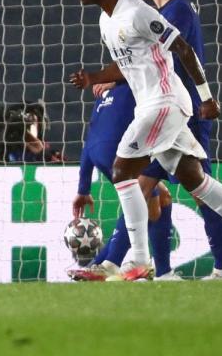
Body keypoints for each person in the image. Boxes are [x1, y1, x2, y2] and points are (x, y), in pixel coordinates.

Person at [68, 0, 222, 281]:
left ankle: (137, 260)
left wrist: (207, 98)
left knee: (122, 169)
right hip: (151, 106)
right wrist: (94, 77)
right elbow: (126, 65)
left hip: (165, 103)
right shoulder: (106, 21)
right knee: (196, 181)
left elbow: (183, 48)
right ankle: (135, 261)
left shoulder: (138, 12)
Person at [136, 0, 222, 280]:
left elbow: (165, 60)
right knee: (147, 185)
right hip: (172, 116)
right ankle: (158, 270)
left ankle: (128, 263)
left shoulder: (177, 11)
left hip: (184, 117)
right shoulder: (173, 10)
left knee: (195, 190)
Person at [68, 80, 176, 281]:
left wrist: (83, 189)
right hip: (118, 150)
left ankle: (163, 272)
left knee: (162, 197)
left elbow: (89, 140)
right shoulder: (140, 82)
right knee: (147, 203)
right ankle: (106, 264)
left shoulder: (105, 93)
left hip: (96, 152)